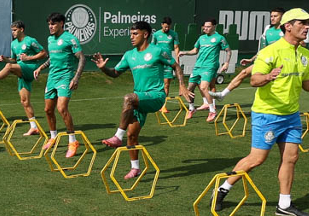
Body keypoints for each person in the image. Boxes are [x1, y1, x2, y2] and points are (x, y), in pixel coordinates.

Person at [214, 8, 309, 216]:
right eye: (302, 23)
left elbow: (308, 82)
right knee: (256, 159)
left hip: (291, 116)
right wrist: (268, 77)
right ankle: (222, 189)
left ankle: (284, 205)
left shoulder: (306, 54)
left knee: (291, 158)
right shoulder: (270, 51)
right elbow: (254, 80)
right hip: (267, 114)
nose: (307, 27)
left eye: (308, 23)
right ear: (288, 26)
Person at [91, 21, 191, 178]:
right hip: (140, 99)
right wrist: (104, 68)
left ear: (145, 34)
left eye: (135, 34)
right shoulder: (129, 55)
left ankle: (117, 137)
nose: (131, 37)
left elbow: (176, 66)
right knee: (132, 135)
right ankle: (135, 168)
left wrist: (182, 86)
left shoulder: (157, 51)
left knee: (128, 98)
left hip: (156, 96)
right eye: (130, 34)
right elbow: (115, 73)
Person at [0, 20, 46, 134]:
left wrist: (28, 58)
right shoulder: (13, 44)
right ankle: (34, 127)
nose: (13, 32)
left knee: (9, 67)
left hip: (31, 68)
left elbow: (44, 53)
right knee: (24, 101)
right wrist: (5, 59)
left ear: (21, 29)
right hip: (21, 71)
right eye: (12, 30)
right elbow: (14, 60)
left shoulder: (30, 40)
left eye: (15, 30)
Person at [34, 12, 84, 156]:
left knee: (61, 108)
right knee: (48, 110)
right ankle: (53, 137)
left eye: (53, 24)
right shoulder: (50, 39)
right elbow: (52, 58)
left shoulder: (70, 39)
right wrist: (40, 68)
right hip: (52, 78)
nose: (50, 27)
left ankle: (73, 141)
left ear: (61, 23)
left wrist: (76, 78)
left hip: (65, 77)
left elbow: (82, 58)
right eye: (49, 24)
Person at [212, 8, 285, 101]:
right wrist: (251, 59)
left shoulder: (287, 30)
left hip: (281, 62)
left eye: (275, 16)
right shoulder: (268, 29)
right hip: (266, 60)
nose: (272, 18)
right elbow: (264, 50)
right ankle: (222, 94)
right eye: (271, 16)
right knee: (244, 72)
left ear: (282, 17)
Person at [180, 19, 229, 122]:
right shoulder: (201, 38)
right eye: (204, 27)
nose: (205, 28)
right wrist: (185, 53)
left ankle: (212, 111)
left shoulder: (220, 38)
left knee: (203, 87)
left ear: (214, 26)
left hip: (210, 66)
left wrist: (226, 63)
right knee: (189, 89)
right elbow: (195, 50)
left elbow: (228, 51)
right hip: (198, 66)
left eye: (208, 26)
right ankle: (191, 108)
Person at [153, 17, 181, 112]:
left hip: (168, 62)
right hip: (158, 62)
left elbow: (176, 47)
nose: (167, 28)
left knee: (166, 84)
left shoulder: (174, 34)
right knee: (157, 84)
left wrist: (177, 59)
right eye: (165, 27)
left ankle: (163, 106)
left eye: (168, 27)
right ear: (162, 25)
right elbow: (152, 47)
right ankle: (155, 103)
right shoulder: (156, 34)